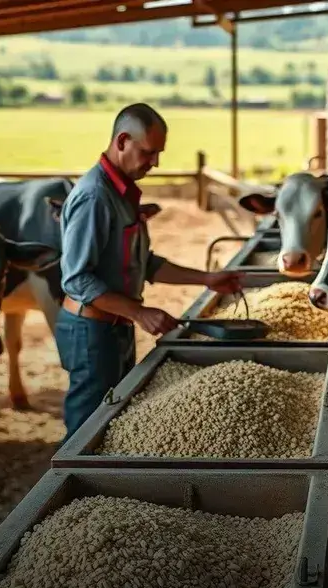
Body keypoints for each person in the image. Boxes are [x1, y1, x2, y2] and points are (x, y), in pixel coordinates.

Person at [55, 102, 243, 441]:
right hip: (90, 330)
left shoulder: (122, 192)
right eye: (149, 152)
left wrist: (207, 279)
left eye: (159, 153)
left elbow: (146, 263)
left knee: (113, 420)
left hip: (114, 326)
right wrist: (140, 312)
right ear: (122, 140)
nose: (155, 162)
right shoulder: (95, 196)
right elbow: (76, 278)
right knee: (86, 431)